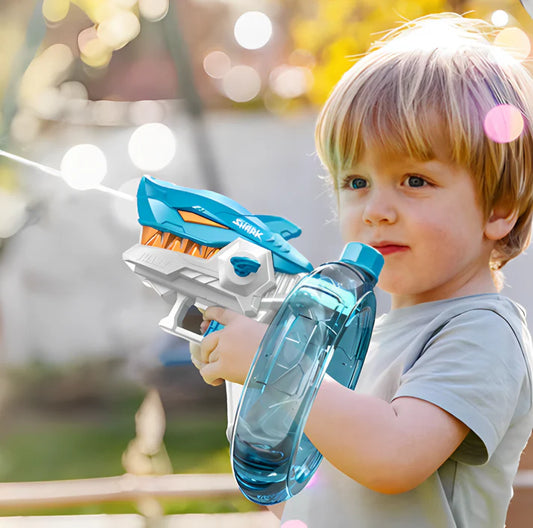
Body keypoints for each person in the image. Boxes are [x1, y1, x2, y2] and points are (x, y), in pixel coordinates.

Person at [191, 13, 533, 527]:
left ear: (498, 208)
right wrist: (254, 371)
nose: (375, 209)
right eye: (355, 181)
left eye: (414, 180)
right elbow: (295, 490)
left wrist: (268, 361)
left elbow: (393, 457)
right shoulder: (361, 338)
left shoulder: (483, 332)